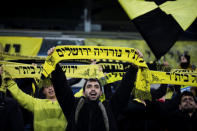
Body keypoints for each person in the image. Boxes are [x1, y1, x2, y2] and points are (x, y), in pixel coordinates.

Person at [47, 47, 142, 131]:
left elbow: (123, 91)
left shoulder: (109, 107)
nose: (93, 89)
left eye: (96, 86)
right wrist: (55, 63)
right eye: (89, 86)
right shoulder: (73, 106)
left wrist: (133, 68)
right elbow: (62, 88)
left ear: (101, 93)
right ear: (83, 92)